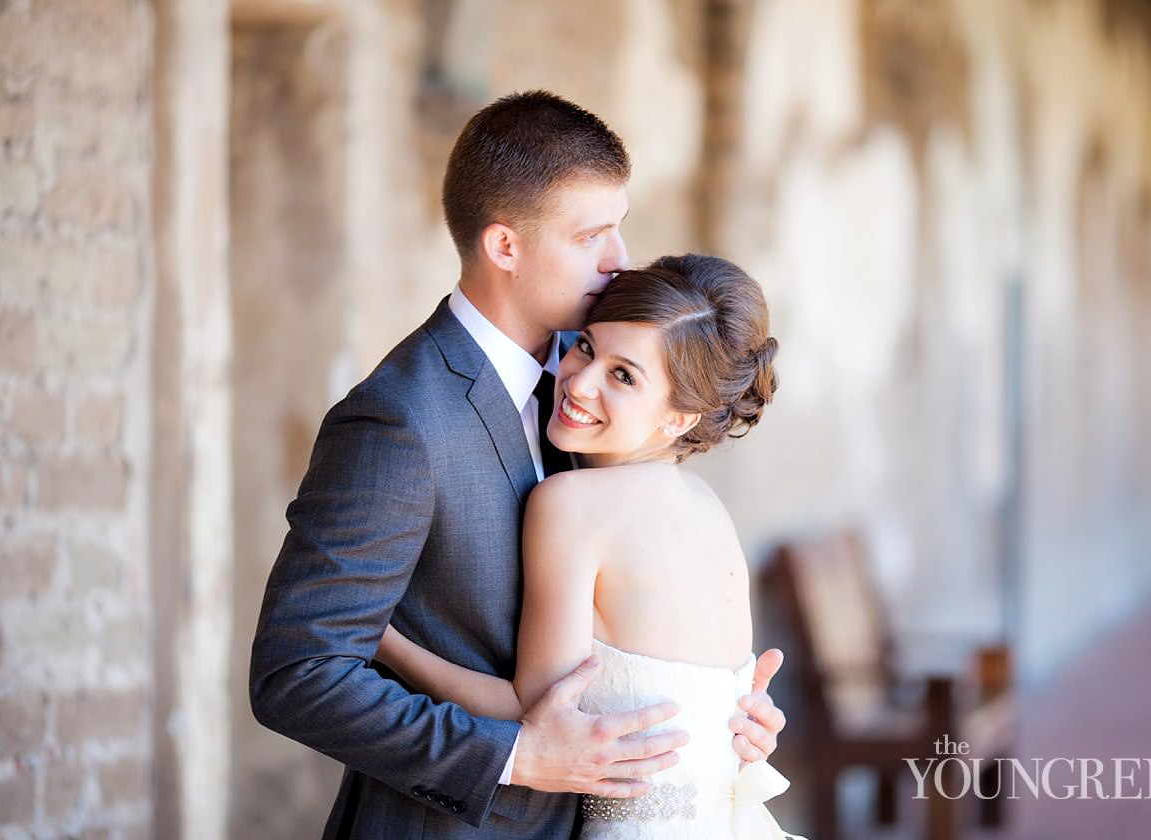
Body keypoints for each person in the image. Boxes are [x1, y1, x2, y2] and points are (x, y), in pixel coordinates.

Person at [249, 90, 785, 840]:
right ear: (506, 247)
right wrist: (515, 757)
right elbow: (295, 676)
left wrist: (718, 721)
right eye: (591, 235)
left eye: (619, 229)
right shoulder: (399, 420)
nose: (618, 260)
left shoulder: (591, 383)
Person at [375, 254, 803, 839]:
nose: (579, 381)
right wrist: (754, 727)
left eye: (624, 376)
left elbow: (538, 711)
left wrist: (385, 639)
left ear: (679, 418)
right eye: (584, 347)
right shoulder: (706, 506)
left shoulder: (571, 502)